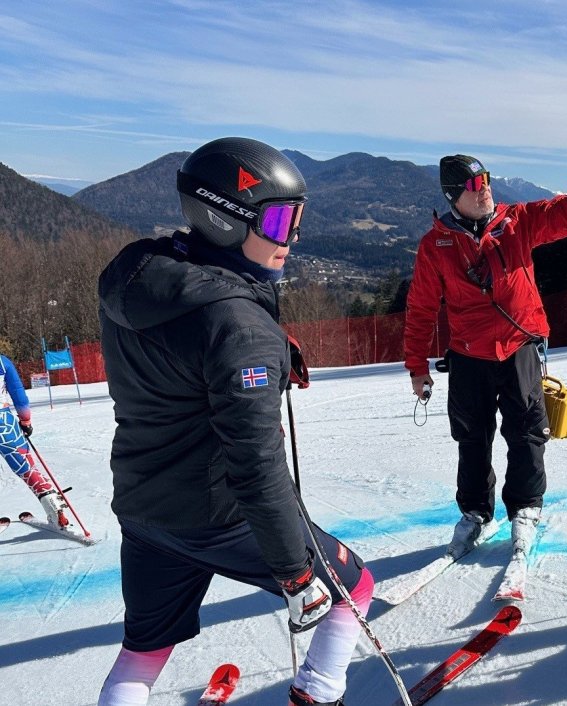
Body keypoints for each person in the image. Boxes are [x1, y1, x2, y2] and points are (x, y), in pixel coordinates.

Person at [96, 137, 370, 706]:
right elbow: (256, 465)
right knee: (353, 589)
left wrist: (258, 338)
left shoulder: (145, 278)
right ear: (224, 220)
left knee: (143, 651)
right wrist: (295, 575)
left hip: (145, 507)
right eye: (275, 220)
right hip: (217, 513)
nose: (289, 238)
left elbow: (190, 348)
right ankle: (320, 692)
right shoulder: (236, 325)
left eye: (295, 221)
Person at [404, 142, 567, 563]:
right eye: (474, 185)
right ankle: (476, 513)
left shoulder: (517, 222)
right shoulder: (435, 245)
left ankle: (526, 508)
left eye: (487, 180)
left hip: (519, 349)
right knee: (472, 438)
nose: (485, 190)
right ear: (452, 196)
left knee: (528, 432)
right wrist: (416, 367)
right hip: (468, 355)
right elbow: (421, 308)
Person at [0, 354, 75, 529]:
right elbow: (18, 394)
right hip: (4, 423)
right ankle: (57, 513)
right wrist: (25, 420)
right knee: (27, 468)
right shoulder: (2, 362)